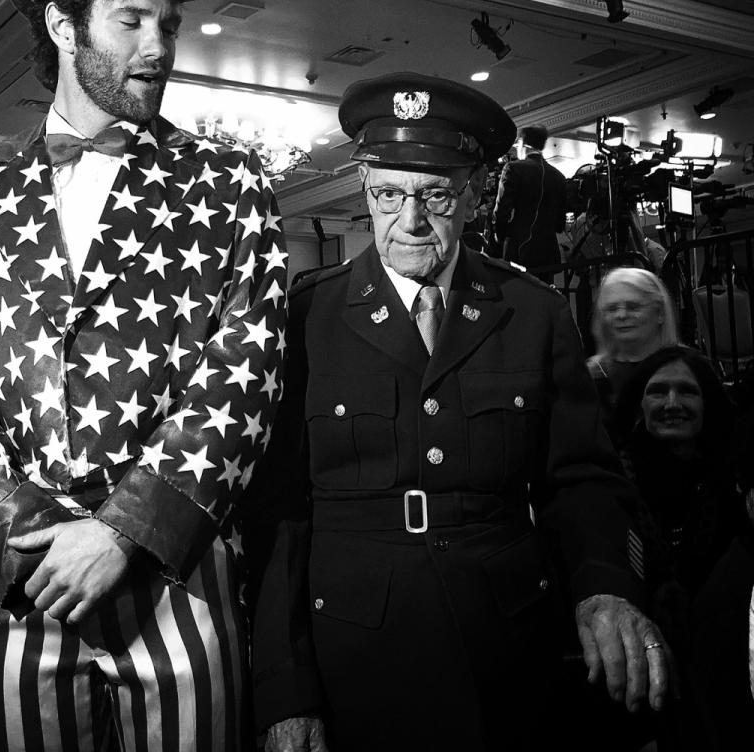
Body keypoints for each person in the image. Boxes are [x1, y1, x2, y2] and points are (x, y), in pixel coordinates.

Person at [0, 0, 288, 752]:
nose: (159, 46)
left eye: (170, 21)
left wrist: (121, 534)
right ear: (61, 23)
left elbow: (245, 372)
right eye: (132, 19)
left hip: (175, 576)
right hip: (18, 580)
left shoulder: (233, 186)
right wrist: (23, 532)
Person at [246, 73, 669, 752]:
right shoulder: (307, 316)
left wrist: (604, 588)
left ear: (474, 194)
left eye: (435, 195)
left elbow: (583, 477)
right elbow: (277, 515)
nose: (409, 221)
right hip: (354, 652)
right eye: (388, 194)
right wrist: (284, 688)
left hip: (505, 646)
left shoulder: (530, 311)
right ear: (365, 192)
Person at [613, 346, 754, 750]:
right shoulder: (614, 484)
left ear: (707, 402)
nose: (672, 403)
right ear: (640, 402)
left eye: (687, 392)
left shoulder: (732, 485)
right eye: (659, 391)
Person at [588, 266, 679, 437]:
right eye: (612, 309)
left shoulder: (688, 368)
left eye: (633, 307)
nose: (621, 315)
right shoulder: (593, 375)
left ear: (659, 313)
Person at [491, 124, 567, 280]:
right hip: (547, 253)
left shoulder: (513, 169)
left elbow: (501, 212)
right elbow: (560, 224)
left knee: (517, 299)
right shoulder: (558, 176)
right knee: (544, 299)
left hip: (519, 251)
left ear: (522, 143)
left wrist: (499, 236)